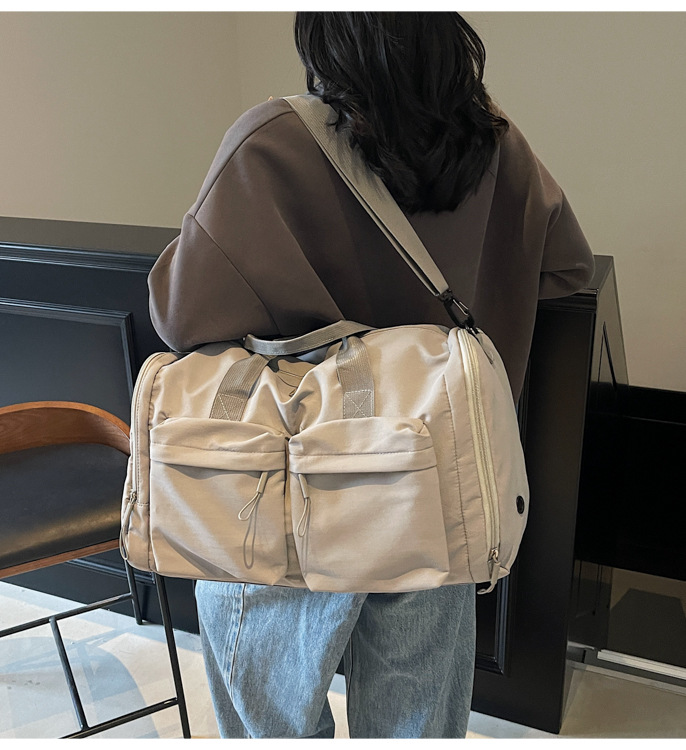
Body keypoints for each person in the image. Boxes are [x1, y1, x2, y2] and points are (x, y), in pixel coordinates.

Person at [147, 12, 595, 739]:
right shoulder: (498, 147)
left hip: (289, 482)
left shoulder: (273, 142)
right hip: (435, 478)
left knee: (272, 724)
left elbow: (179, 313)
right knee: (417, 728)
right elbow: (568, 269)